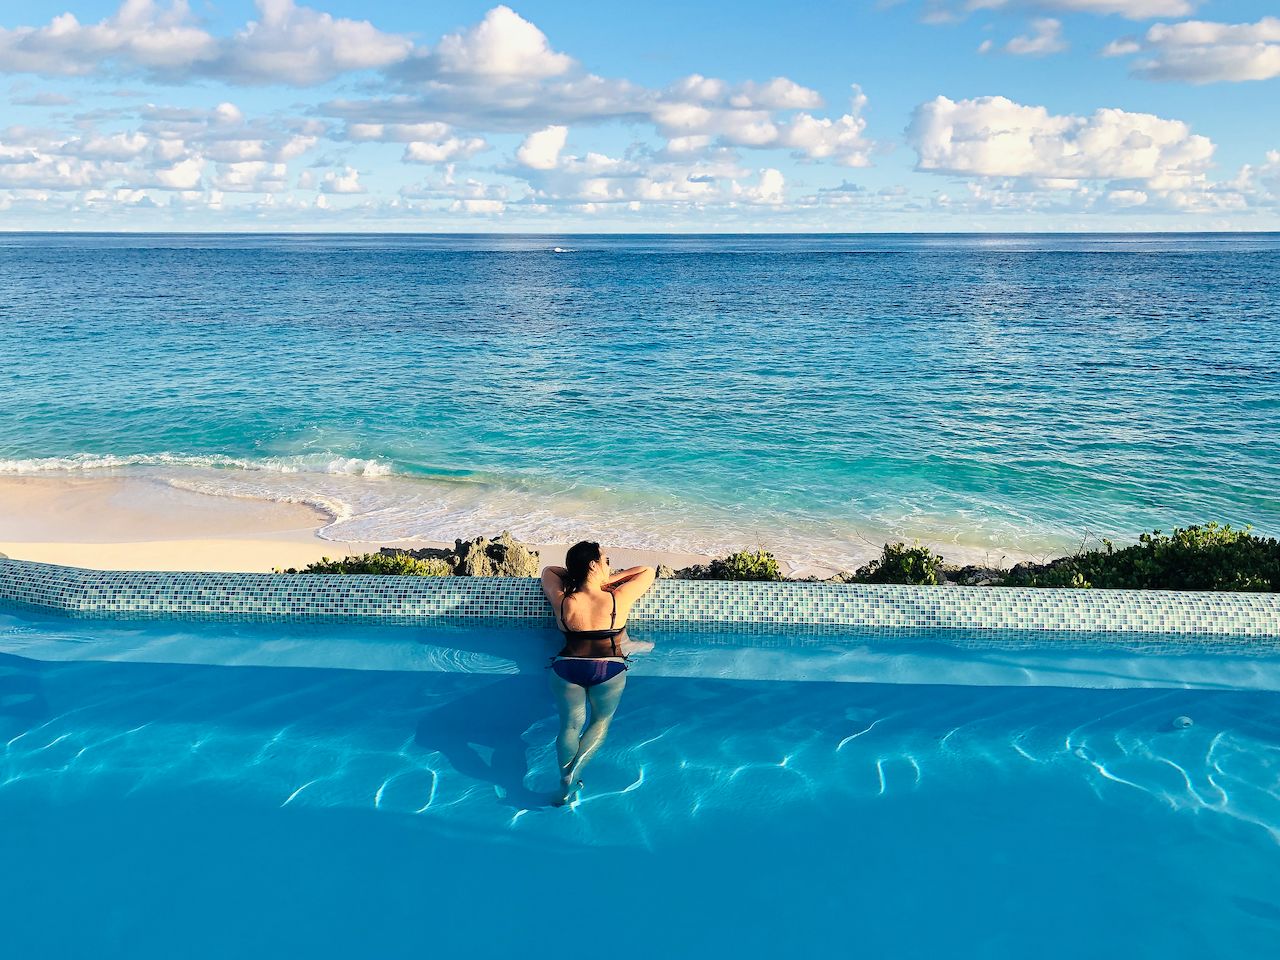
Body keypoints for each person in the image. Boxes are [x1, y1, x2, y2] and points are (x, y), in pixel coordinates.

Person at [540, 542, 656, 805]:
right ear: (593, 565)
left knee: (569, 726)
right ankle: (576, 771)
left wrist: (583, 577)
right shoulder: (618, 598)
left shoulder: (563, 600)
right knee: (600, 723)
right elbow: (647, 571)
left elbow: (549, 570)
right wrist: (608, 580)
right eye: (605, 560)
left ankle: (563, 779)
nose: (608, 564)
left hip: (567, 666)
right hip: (608, 668)